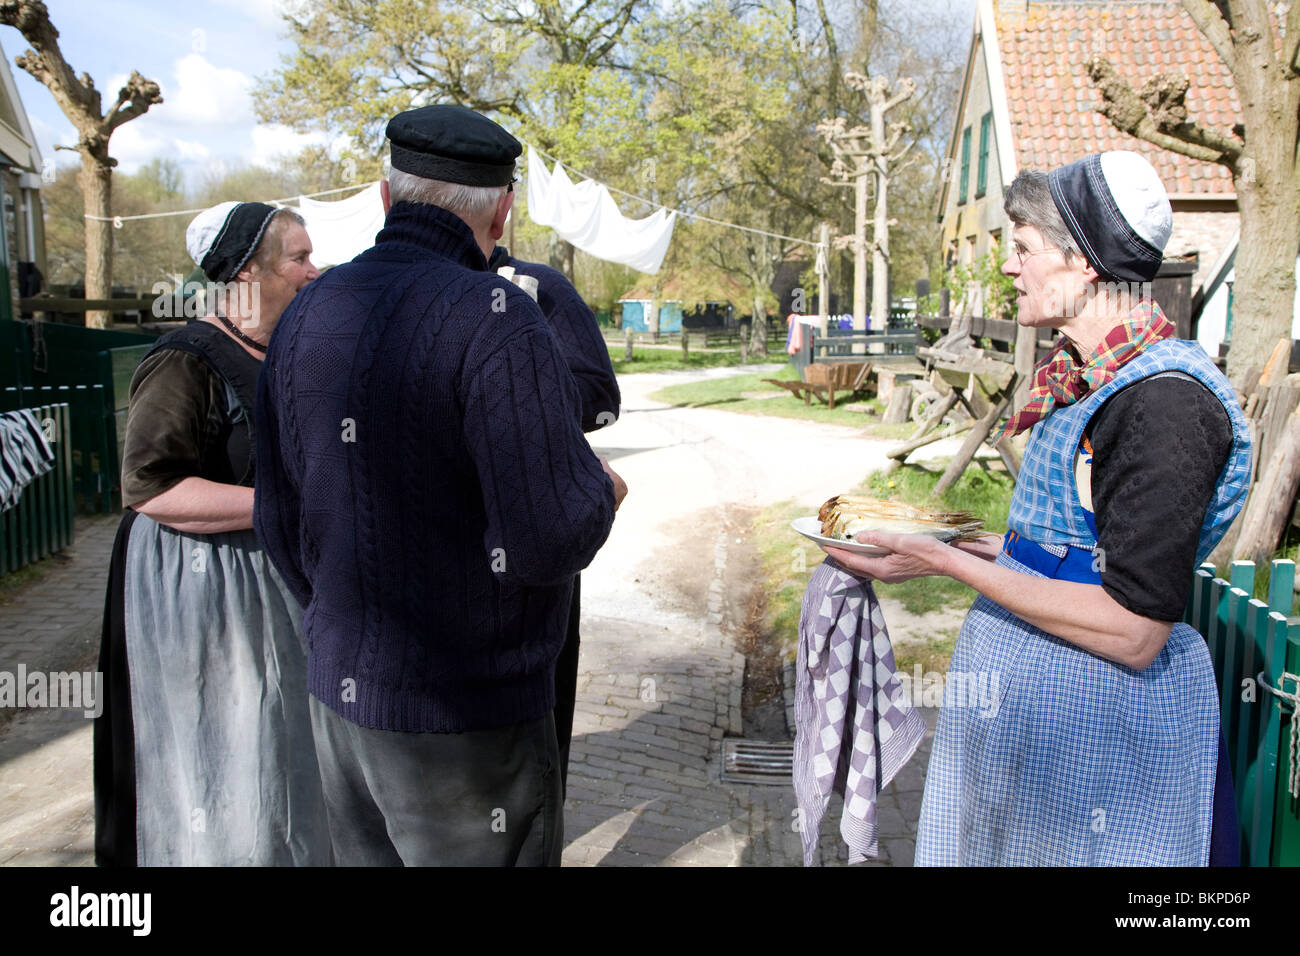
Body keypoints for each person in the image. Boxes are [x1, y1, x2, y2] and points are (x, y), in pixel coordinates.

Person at [822, 151, 1251, 866]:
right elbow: (1072, 545)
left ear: (1083, 263)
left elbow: (1134, 630)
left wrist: (939, 562)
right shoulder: (1090, 379)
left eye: (1023, 249)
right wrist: (947, 540)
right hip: (1040, 717)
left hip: (1099, 734)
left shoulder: (1167, 405)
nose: (1009, 268)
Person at [254, 103, 627, 867]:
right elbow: (548, 536)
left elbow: (279, 519)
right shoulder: (499, 316)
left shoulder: (306, 311)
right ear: (503, 210)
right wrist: (599, 491)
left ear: (387, 200)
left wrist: (342, 629)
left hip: (340, 702)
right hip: (466, 720)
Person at [95, 202, 329, 866]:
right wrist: (286, 504)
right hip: (196, 589)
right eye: (299, 258)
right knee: (216, 745)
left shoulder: (285, 349)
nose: (315, 271)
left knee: (274, 745)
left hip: (265, 580)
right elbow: (149, 486)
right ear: (250, 271)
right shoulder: (185, 359)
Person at [488, 241, 620, 795]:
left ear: (501, 207)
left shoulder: (536, 286)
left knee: (538, 718)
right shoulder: (389, 287)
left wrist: (510, 393)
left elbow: (600, 392)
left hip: (529, 525)